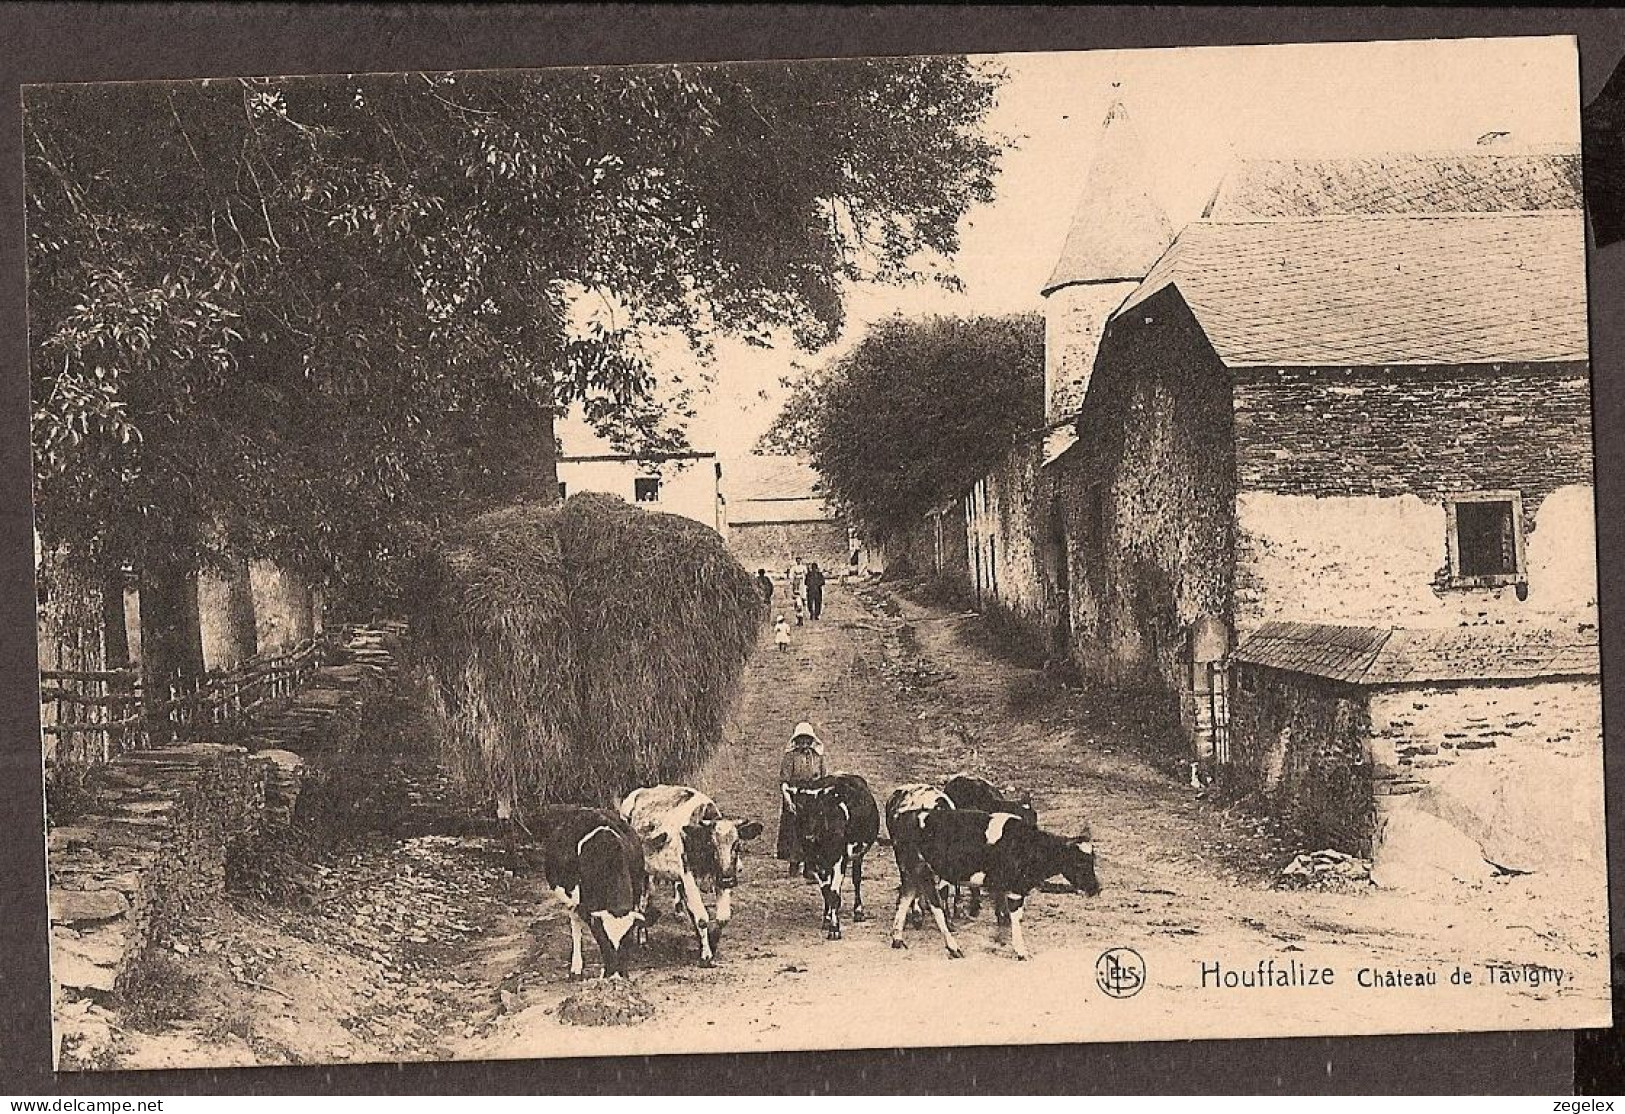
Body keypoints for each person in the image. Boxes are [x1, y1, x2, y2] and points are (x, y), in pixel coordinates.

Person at [777, 721, 827, 876]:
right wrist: (788, 800)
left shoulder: (817, 757)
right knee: (795, 831)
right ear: (796, 741)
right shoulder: (790, 757)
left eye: (807, 741)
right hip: (795, 797)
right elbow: (784, 782)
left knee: (813, 830)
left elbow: (823, 778)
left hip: (813, 798)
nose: (804, 744)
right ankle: (794, 863)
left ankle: (810, 866)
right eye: (801, 741)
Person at [788, 557, 808, 625]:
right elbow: (791, 576)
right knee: (797, 602)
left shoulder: (803, 567)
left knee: (802, 602)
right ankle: (798, 618)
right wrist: (792, 581)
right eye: (797, 561)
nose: (798, 561)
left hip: (802, 586)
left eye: (799, 560)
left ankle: (801, 618)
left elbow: (806, 575)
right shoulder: (794, 568)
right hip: (796, 586)